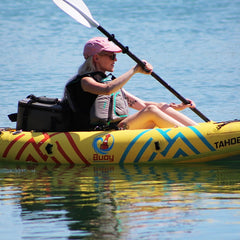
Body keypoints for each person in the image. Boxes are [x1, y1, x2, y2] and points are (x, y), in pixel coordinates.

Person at [63, 36, 197, 131]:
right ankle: (195, 138)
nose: (115, 60)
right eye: (111, 56)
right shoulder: (85, 81)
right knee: (151, 111)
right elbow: (107, 90)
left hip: (115, 128)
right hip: (97, 134)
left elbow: (141, 105)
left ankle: (200, 131)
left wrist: (177, 107)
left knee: (158, 107)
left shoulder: (108, 81)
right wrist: (134, 70)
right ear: (96, 58)